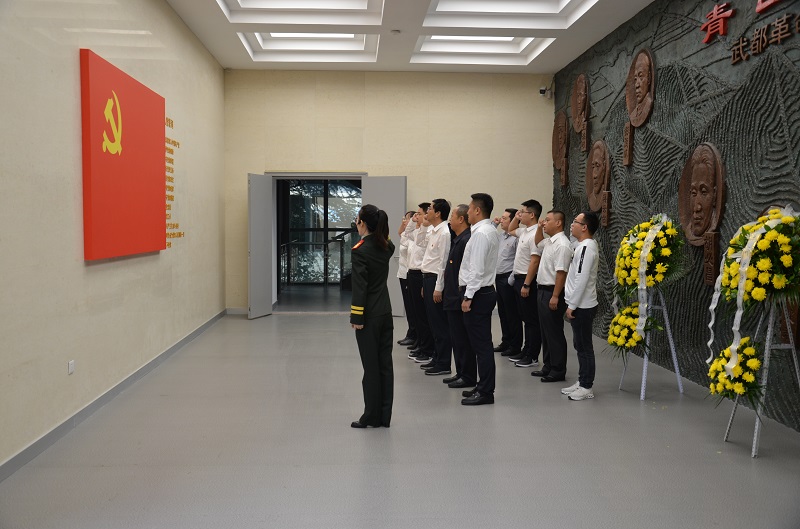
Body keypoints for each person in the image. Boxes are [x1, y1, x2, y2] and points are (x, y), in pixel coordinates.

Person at [349, 204, 395, 428]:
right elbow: (388, 241)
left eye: (357, 219)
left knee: (371, 368)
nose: (356, 223)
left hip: (369, 316)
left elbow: (360, 288)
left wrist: (356, 318)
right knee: (385, 366)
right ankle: (384, 416)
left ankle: (370, 416)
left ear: (363, 223)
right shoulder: (386, 246)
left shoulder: (360, 250)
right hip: (385, 312)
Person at [459, 193, 500, 406]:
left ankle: (485, 392)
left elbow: (477, 269)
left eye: (469, 208)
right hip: (481, 292)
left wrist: (468, 296)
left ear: (477, 210)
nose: (467, 212)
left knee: (482, 345)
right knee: (479, 344)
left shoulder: (482, 234)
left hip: (478, 294)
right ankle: (482, 385)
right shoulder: (486, 230)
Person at [560, 212, 600, 401]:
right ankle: (582, 380)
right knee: (579, 345)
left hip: (582, 306)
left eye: (575, 222)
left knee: (585, 347)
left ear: (584, 227)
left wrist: (572, 305)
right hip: (578, 304)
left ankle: (586, 386)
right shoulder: (581, 245)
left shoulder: (587, 248)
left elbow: (581, 279)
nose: (571, 224)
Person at [530, 210, 573, 383]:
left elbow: (561, 273)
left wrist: (555, 296)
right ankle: (548, 365)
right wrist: (539, 228)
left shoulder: (562, 244)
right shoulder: (549, 241)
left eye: (547, 220)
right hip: (542, 290)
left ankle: (558, 370)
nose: (544, 222)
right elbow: (538, 242)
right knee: (545, 331)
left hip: (552, 292)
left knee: (554, 332)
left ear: (558, 223)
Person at [442, 205, 476, 389]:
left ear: (461, 219)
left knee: (463, 339)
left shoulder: (465, 240)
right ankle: (461, 372)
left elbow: (466, 273)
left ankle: (468, 376)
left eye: (452, 216)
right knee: (456, 338)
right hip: (452, 296)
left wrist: (463, 296)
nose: (450, 220)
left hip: (458, 296)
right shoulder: (458, 239)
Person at [506, 199, 543, 368]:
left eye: (523, 212)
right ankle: (526, 350)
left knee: (531, 320)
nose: (520, 214)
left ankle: (532, 355)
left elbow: (534, 261)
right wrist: (516, 216)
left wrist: (527, 284)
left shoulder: (536, 234)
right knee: (524, 318)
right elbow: (510, 229)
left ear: (532, 215)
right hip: (518, 278)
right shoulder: (524, 231)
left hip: (527, 280)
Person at [419, 198, 452, 376]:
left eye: (430, 209)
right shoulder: (433, 230)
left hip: (436, 280)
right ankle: (437, 357)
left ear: (438, 213)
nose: (427, 212)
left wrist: (438, 287)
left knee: (439, 323)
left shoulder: (444, 233)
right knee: (432, 322)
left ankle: (444, 363)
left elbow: (443, 262)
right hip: (428, 279)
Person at [406, 203, 434, 363]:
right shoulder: (420, 231)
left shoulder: (431, 232)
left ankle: (426, 347)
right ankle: (421, 343)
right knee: (416, 313)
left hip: (421, 274)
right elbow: (406, 233)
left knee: (423, 316)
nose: (417, 216)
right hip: (412, 273)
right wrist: (412, 221)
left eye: (420, 213)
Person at [493, 208, 521, 357]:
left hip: (508, 279)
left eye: (504, 218)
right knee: (502, 313)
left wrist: (511, 279)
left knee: (512, 314)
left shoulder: (516, 237)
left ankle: (515, 345)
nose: (501, 220)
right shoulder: (501, 236)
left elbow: (518, 259)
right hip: (498, 278)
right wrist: (494, 224)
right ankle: (506, 341)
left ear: (513, 221)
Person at [396, 211, 417, 347]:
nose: (404, 221)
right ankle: (411, 333)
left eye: (406, 219)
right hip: (402, 274)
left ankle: (414, 334)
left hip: (409, 274)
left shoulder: (414, 236)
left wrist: (411, 223)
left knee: (412, 307)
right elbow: (399, 232)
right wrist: (404, 223)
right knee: (408, 307)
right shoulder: (405, 234)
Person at [628, 51, 653, 127]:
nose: (637, 85)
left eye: (641, 76)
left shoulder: (649, 103)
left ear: (649, 78)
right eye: (635, 79)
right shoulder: (633, 114)